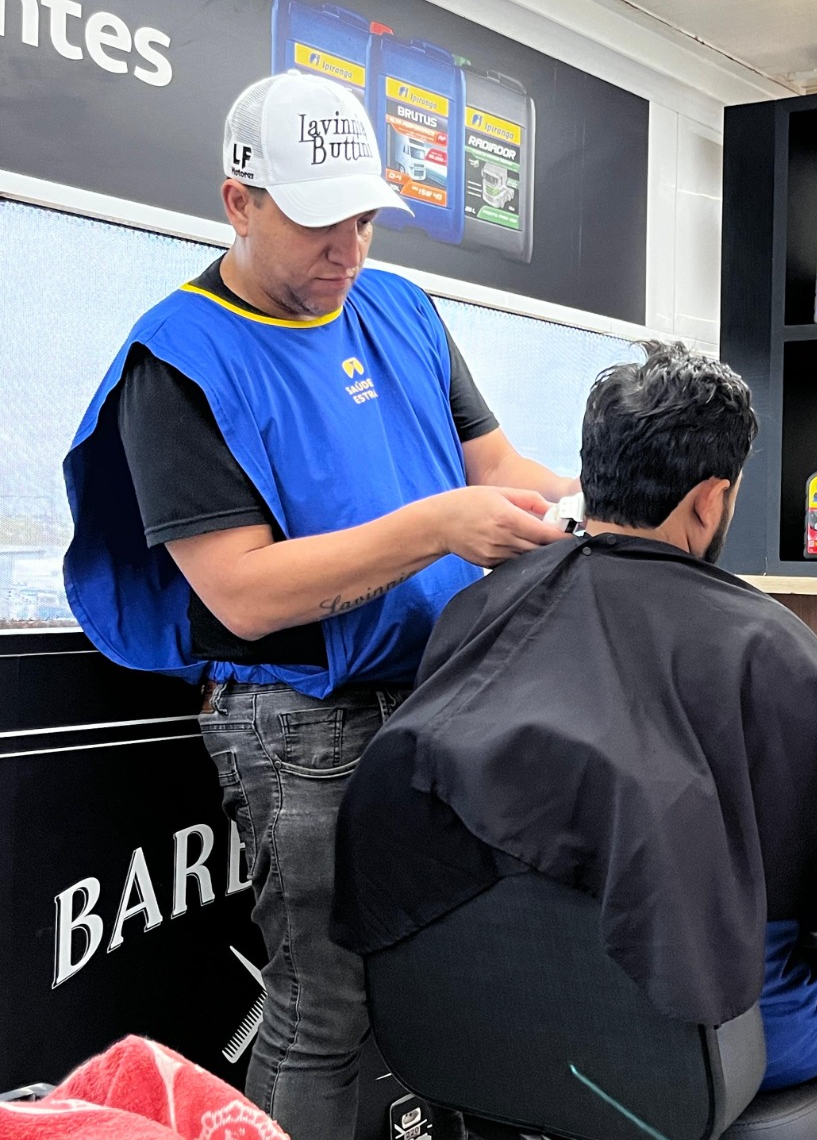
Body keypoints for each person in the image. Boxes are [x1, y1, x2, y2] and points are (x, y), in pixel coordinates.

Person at [332, 343, 817, 1139]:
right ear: (710, 500)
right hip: (714, 1030)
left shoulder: (479, 617)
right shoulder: (760, 644)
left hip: (499, 1021)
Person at [62, 73, 574, 1139]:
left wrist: (604, 504)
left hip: (439, 695)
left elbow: (500, 464)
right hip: (301, 722)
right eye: (316, 223)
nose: (347, 249)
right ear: (238, 203)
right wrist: (439, 526)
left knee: (457, 972)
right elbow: (242, 595)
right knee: (323, 1002)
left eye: (363, 217)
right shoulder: (180, 358)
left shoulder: (398, 306)